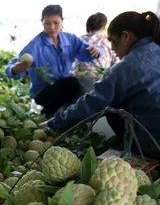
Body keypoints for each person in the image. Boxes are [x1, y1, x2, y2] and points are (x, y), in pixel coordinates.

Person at [40, 11, 160, 160]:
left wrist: (54, 123)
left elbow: (93, 102)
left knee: (112, 108)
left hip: (153, 145)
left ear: (126, 36)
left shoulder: (128, 65)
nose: (113, 50)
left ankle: (136, 149)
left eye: (113, 42)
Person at [5, 4, 102, 117]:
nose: (52, 27)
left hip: (62, 89)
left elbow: (88, 51)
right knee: (72, 83)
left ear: (62, 21)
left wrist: (97, 51)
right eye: (47, 23)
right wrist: (14, 69)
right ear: (42, 22)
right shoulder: (34, 46)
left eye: (56, 23)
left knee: (83, 85)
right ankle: (49, 115)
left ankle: (69, 116)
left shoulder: (70, 39)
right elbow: (11, 67)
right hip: (43, 95)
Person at [70, 12, 119, 77]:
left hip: (77, 78)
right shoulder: (108, 42)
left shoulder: (79, 40)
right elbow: (116, 64)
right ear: (104, 27)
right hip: (101, 80)